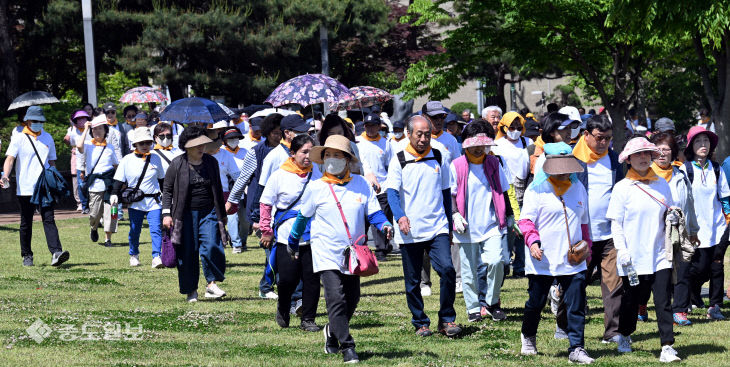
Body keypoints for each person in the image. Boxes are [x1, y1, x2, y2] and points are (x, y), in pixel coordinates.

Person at [288, 135, 393, 363]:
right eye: (328, 155)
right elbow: (302, 218)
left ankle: (333, 332)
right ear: (323, 159)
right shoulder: (316, 187)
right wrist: (293, 241)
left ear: (347, 160)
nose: (332, 159)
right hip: (326, 253)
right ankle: (348, 347)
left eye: (338, 155)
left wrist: (384, 225)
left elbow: (373, 212)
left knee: (352, 298)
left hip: (353, 254)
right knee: (335, 297)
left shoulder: (361, 183)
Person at [385, 115, 462, 338]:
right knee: (413, 281)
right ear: (409, 134)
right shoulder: (398, 158)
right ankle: (420, 322)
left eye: (427, 134)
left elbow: (446, 191)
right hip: (410, 229)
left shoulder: (439, 155)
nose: (423, 138)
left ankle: (447, 319)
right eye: (419, 134)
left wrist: (448, 225)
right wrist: (400, 216)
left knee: (447, 270)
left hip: (437, 225)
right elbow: (392, 192)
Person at [517, 143, 594, 364]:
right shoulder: (536, 189)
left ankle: (577, 347)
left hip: (573, 259)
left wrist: (588, 249)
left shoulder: (578, 188)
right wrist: (532, 242)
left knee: (576, 304)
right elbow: (525, 221)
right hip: (543, 257)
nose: (563, 171)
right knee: (536, 301)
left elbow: (585, 222)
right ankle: (529, 336)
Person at [606, 137, 681, 362]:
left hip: (659, 253)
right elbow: (616, 223)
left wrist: (674, 216)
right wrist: (622, 250)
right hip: (632, 256)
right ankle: (626, 334)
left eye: (647, 153)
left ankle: (667, 345)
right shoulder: (622, 188)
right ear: (628, 159)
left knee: (662, 300)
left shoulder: (661, 183)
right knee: (632, 300)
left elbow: (669, 211)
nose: (642, 158)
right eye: (638, 154)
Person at [571, 114, 626, 343]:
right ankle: (565, 325)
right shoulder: (573, 160)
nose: (604, 143)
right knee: (574, 284)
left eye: (608, 139)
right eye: (600, 138)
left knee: (614, 284)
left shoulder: (614, 160)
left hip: (609, 234)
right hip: (581, 235)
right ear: (586, 135)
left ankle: (612, 332)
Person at [259, 134, 322, 332]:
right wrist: (266, 230)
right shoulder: (279, 175)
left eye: (311, 152)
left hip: (314, 235)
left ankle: (308, 319)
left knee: (312, 280)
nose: (308, 156)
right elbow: (266, 204)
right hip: (287, 236)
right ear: (293, 153)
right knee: (287, 279)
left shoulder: (318, 172)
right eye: (304, 152)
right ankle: (284, 306)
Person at [450, 123, 512, 322]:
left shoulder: (494, 163)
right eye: (474, 144)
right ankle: (473, 307)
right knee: (468, 271)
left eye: (482, 144)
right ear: (466, 144)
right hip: (466, 225)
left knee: (497, 261)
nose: (478, 149)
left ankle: (492, 302)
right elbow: (451, 193)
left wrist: (509, 215)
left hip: (491, 224)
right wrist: (454, 214)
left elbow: (503, 190)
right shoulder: (457, 165)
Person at [162, 125, 228, 302]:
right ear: (187, 146)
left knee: (212, 246)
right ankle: (191, 290)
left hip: (208, 212)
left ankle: (211, 284)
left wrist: (222, 214)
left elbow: (218, 189)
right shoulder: (177, 164)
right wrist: (166, 214)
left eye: (203, 144)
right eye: (197, 145)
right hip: (185, 216)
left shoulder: (211, 162)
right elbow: (167, 190)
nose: (201, 148)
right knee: (188, 252)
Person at [1, 106, 70, 267]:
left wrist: (54, 178)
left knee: (49, 219)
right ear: (27, 121)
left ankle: (56, 253)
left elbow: (51, 162)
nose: (38, 123)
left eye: (40, 121)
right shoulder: (19, 137)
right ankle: (27, 255)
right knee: (26, 222)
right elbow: (10, 159)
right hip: (25, 187)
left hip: (44, 186)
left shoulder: (48, 137)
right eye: (34, 121)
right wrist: (5, 175)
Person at [227, 113, 283, 299]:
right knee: (272, 250)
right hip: (259, 207)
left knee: (280, 250)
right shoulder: (256, 151)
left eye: (281, 132)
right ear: (267, 132)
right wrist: (232, 200)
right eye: (275, 132)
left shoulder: (289, 151)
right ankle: (266, 287)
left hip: (282, 207)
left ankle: (275, 285)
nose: (278, 135)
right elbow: (243, 179)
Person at [647, 132, 700, 326]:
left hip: (679, 231)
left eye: (666, 149)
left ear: (673, 152)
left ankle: (680, 310)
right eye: (658, 149)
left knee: (683, 269)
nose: (662, 154)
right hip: (653, 231)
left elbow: (689, 204)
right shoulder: (645, 175)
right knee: (652, 272)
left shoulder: (681, 175)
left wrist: (693, 230)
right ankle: (642, 306)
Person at [681, 126, 730, 319]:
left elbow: (725, 198)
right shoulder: (686, 169)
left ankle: (715, 307)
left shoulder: (716, 169)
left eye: (706, 141)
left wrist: (728, 220)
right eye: (699, 141)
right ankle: (689, 294)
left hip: (717, 227)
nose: (703, 145)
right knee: (699, 268)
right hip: (695, 229)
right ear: (691, 146)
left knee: (717, 267)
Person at [112, 128, 166, 267]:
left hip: (154, 201)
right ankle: (134, 254)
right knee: (135, 230)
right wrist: (114, 194)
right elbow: (118, 181)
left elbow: (162, 180)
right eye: (141, 143)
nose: (144, 145)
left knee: (156, 229)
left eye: (148, 142)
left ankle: (156, 256)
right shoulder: (127, 160)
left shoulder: (156, 158)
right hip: (135, 202)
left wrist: (167, 196)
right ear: (135, 144)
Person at [493, 111, 532, 278]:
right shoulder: (498, 144)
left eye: (518, 127)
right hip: (507, 189)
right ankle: (505, 262)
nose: (515, 130)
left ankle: (520, 265)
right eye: (511, 127)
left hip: (525, 187)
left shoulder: (528, 142)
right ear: (504, 127)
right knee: (509, 228)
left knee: (524, 228)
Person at [76, 115, 119, 247]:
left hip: (109, 185)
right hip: (94, 186)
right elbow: (79, 146)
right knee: (94, 214)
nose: (98, 131)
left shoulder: (110, 148)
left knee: (111, 212)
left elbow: (116, 165)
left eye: (101, 129)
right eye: (95, 130)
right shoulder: (88, 145)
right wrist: (85, 129)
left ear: (106, 131)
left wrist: (118, 183)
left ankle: (108, 239)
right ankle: (94, 228)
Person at [357, 113, 394, 261]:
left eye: (373, 125)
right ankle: (360, 247)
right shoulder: (358, 142)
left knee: (382, 216)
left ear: (379, 126)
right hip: (362, 186)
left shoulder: (386, 143)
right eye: (367, 125)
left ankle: (381, 249)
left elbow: (391, 164)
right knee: (362, 219)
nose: (370, 128)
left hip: (382, 186)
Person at [64, 110, 90, 213]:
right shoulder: (73, 130)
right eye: (79, 119)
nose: (81, 121)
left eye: (83, 118)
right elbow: (70, 142)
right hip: (79, 158)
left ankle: (89, 204)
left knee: (88, 182)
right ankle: (83, 205)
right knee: (80, 182)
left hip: (89, 158)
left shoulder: (91, 130)